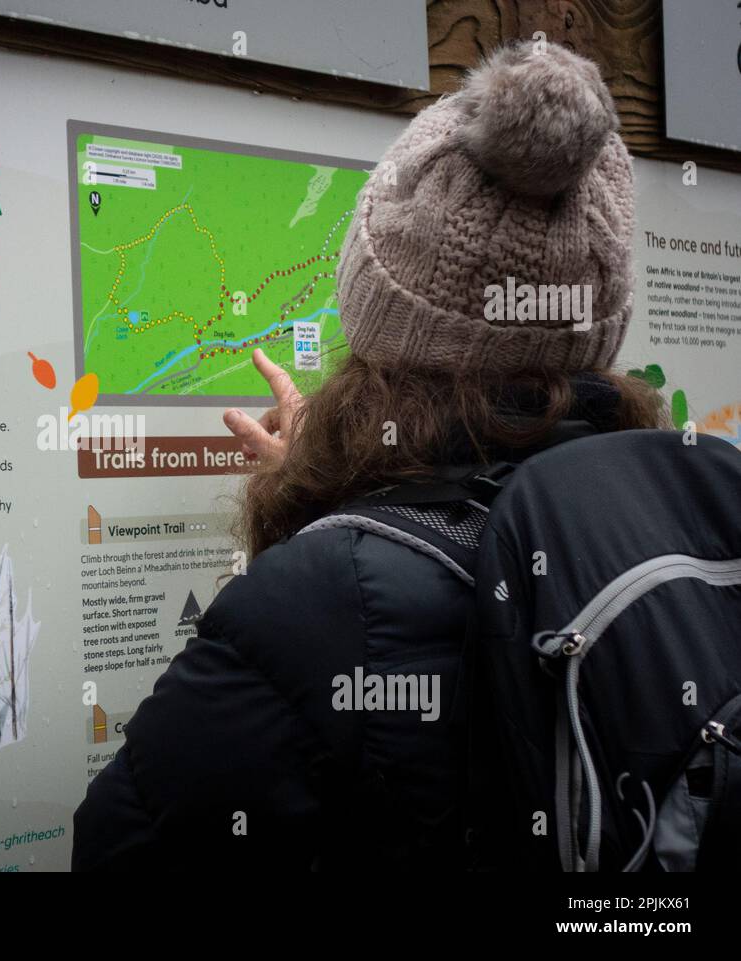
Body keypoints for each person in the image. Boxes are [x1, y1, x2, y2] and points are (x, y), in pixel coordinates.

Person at [71, 43, 668, 871]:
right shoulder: (677, 519)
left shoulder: (320, 600)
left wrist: (318, 525)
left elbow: (118, 846)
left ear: (377, 322)